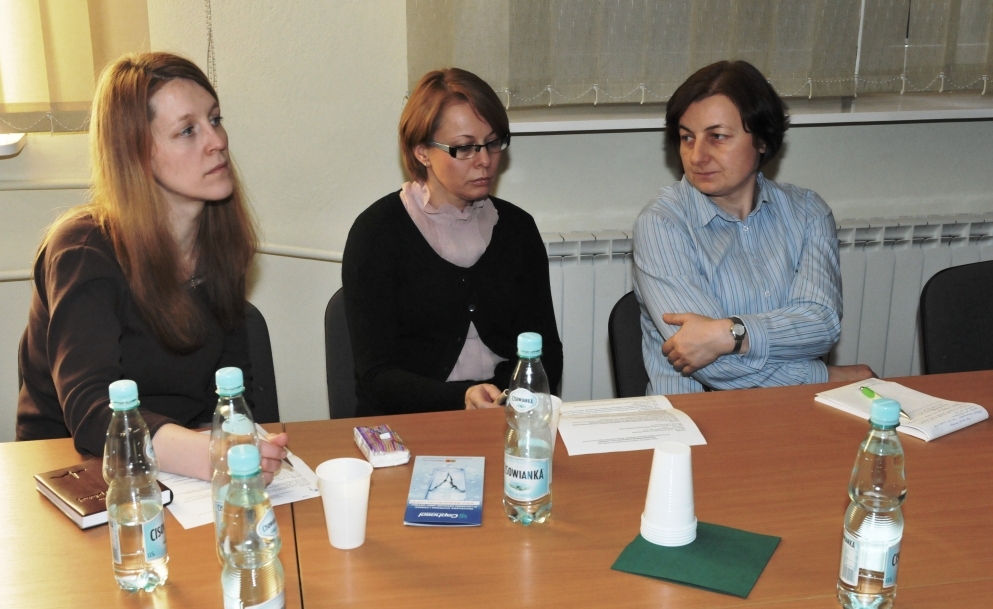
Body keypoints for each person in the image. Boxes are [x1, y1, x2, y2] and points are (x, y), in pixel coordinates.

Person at [16, 52, 288, 482]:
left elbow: (232, 389)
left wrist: (241, 443)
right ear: (136, 155)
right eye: (187, 130)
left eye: (215, 119)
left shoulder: (218, 242)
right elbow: (90, 411)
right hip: (75, 471)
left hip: (179, 468)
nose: (217, 141)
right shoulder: (82, 250)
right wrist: (211, 456)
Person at [633, 60, 874, 395]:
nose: (697, 156)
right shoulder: (662, 223)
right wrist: (825, 377)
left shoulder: (808, 213)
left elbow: (822, 325)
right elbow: (712, 365)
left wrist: (730, 333)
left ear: (761, 140)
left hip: (799, 411)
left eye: (717, 137)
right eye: (687, 138)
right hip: (695, 416)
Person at [342, 68, 563, 416]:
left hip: (505, 415)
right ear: (422, 152)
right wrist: (462, 397)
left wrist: (503, 398)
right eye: (464, 147)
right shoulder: (377, 233)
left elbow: (546, 353)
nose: (485, 160)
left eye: (493, 142)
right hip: (412, 423)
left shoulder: (517, 229)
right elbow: (377, 377)